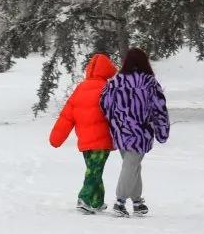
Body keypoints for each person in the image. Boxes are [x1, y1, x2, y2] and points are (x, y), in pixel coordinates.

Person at [100, 48, 170, 217]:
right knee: (131, 165)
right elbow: (159, 109)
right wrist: (162, 131)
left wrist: (115, 122)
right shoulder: (149, 82)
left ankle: (137, 201)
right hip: (140, 132)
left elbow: (104, 104)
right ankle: (120, 202)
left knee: (132, 165)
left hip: (120, 131)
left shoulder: (115, 82)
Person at [49, 53, 117, 214]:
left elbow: (67, 116)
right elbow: (117, 114)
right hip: (102, 140)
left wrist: (56, 138)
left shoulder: (80, 89)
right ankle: (84, 198)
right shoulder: (107, 89)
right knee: (94, 170)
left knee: (94, 170)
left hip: (85, 140)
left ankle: (97, 201)